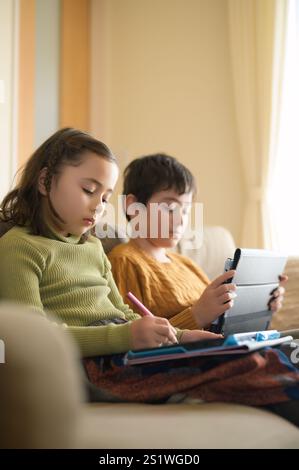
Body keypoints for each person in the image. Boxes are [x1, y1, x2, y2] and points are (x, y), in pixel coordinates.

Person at [0, 131, 298, 424]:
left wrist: (183, 335)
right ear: (44, 181)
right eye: (89, 190)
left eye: (105, 197)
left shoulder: (91, 246)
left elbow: (124, 313)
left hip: (123, 349)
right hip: (94, 364)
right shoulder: (21, 247)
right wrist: (126, 335)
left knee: (275, 351)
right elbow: (32, 340)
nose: (98, 206)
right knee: (258, 364)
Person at [108, 153, 287, 330]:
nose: (181, 220)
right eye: (170, 208)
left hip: (223, 346)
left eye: (185, 210)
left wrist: (258, 306)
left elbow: (218, 320)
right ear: (134, 207)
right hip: (188, 357)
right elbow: (131, 339)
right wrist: (197, 316)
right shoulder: (124, 261)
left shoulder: (186, 264)